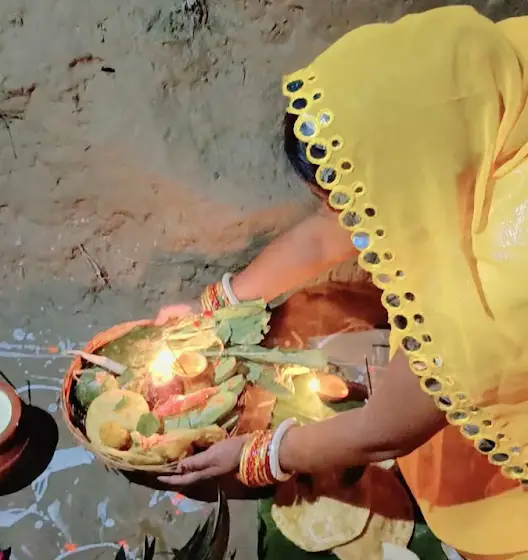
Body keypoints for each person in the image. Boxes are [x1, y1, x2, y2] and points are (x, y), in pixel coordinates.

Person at [158, 6, 528, 560]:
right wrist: (217, 304)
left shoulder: (495, 286)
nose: (347, 221)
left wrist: (261, 455)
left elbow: (385, 431)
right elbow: (330, 233)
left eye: (353, 204)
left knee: (475, 484)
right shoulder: (477, 80)